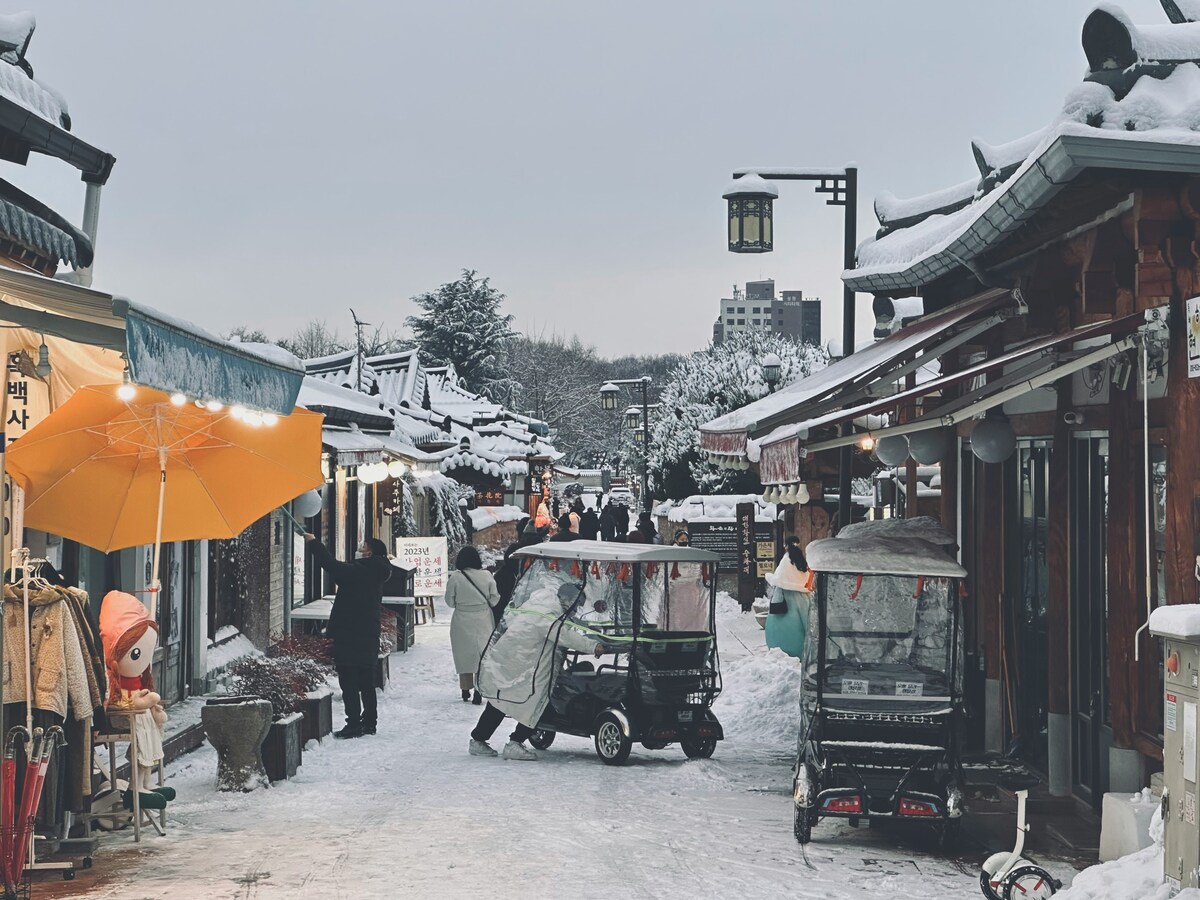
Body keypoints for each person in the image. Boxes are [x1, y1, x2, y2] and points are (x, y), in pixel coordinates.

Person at [470, 582, 610, 760]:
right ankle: (515, 742)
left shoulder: (537, 606)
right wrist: (594, 645)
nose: (576, 610)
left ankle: (478, 739)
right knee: (537, 700)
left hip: (509, 660)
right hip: (525, 665)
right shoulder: (548, 617)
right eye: (576, 606)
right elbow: (564, 635)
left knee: (501, 700)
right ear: (569, 602)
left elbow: (563, 625)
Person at [304, 534, 392, 738]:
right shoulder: (377, 571)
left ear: (370, 552)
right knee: (366, 682)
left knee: (349, 680)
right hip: (367, 632)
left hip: (350, 633)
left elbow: (331, 566)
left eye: (364, 547)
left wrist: (313, 542)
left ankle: (353, 723)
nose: (360, 549)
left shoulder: (361, 570)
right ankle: (370, 723)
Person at [445, 546, 501, 705]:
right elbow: (495, 599)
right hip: (483, 619)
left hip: (462, 619)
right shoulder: (487, 575)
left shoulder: (456, 577)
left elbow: (449, 601)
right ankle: (479, 689)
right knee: (481, 655)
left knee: (464, 654)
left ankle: (465, 689)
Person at [764, 541, 812, 660]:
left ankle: (781, 652)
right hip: (802, 597)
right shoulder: (802, 562)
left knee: (780, 628)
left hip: (784, 600)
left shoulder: (786, 560)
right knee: (805, 624)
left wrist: (767, 575)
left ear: (786, 546)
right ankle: (802, 652)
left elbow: (778, 579)